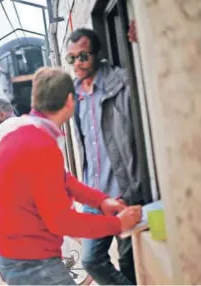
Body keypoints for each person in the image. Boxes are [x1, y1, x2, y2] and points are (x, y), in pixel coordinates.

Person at [0, 67, 142, 285]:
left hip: (12, 254)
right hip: (31, 264)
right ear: (70, 100)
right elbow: (62, 221)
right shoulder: (41, 145)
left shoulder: (23, 131)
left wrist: (101, 201)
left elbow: (64, 180)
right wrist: (118, 224)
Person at [66, 28, 142, 285]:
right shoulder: (74, 95)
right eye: (72, 58)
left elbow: (147, 78)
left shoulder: (121, 82)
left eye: (83, 56)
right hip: (94, 196)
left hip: (122, 192)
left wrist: (143, 40)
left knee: (128, 261)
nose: (77, 63)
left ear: (97, 55)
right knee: (90, 259)